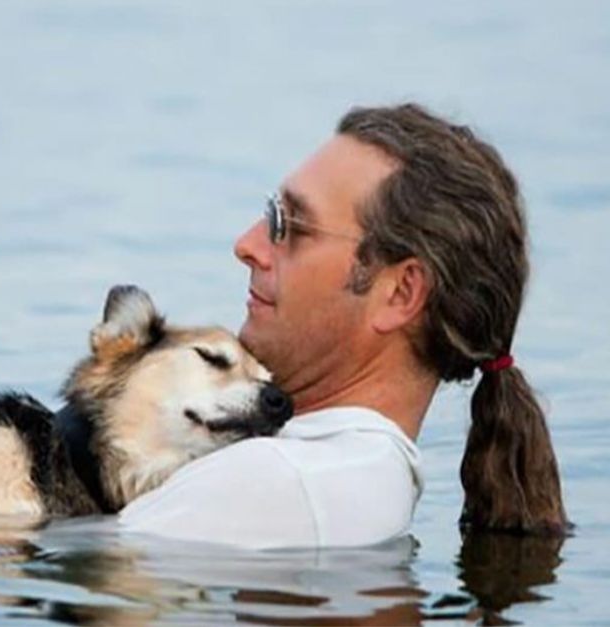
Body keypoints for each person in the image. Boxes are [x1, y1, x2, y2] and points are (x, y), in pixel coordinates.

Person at [118, 103, 568, 549]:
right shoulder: (350, 475)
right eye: (270, 212)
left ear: (401, 293)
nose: (248, 244)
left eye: (291, 225)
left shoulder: (284, 483)